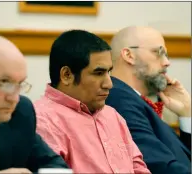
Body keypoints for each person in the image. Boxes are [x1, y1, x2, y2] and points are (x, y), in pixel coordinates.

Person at [34, 29, 150, 173]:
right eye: (99, 73)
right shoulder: (42, 121)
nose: (109, 84)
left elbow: (138, 167)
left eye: (109, 72)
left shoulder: (112, 115)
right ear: (66, 75)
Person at [0, 34, 69, 173]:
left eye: (19, 84)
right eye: (5, 83)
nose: (14, 98)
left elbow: (57, 167)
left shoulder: (20, 113)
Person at [105, 26, 191, 174]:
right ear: (129, 55)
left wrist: (186, 113)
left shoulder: (133, 99)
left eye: (167, 55)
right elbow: (159, 166)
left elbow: (183, 159)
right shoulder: (119, 99)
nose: (166, 62)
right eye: (158, 53)